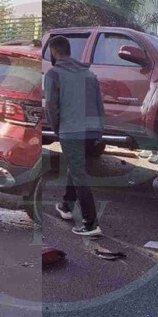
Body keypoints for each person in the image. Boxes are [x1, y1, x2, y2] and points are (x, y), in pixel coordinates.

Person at [44, 36, 105, 236]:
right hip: (92, 130)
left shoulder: (54, 74)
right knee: (76, 165)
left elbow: (52, 107)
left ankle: (91, 223)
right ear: (70, 51)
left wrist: (56, 129)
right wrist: (99, 130)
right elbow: (99, 104)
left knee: (79, 173)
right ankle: (66, 206)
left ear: (53, 52)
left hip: (71, 131)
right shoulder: (89, 74)